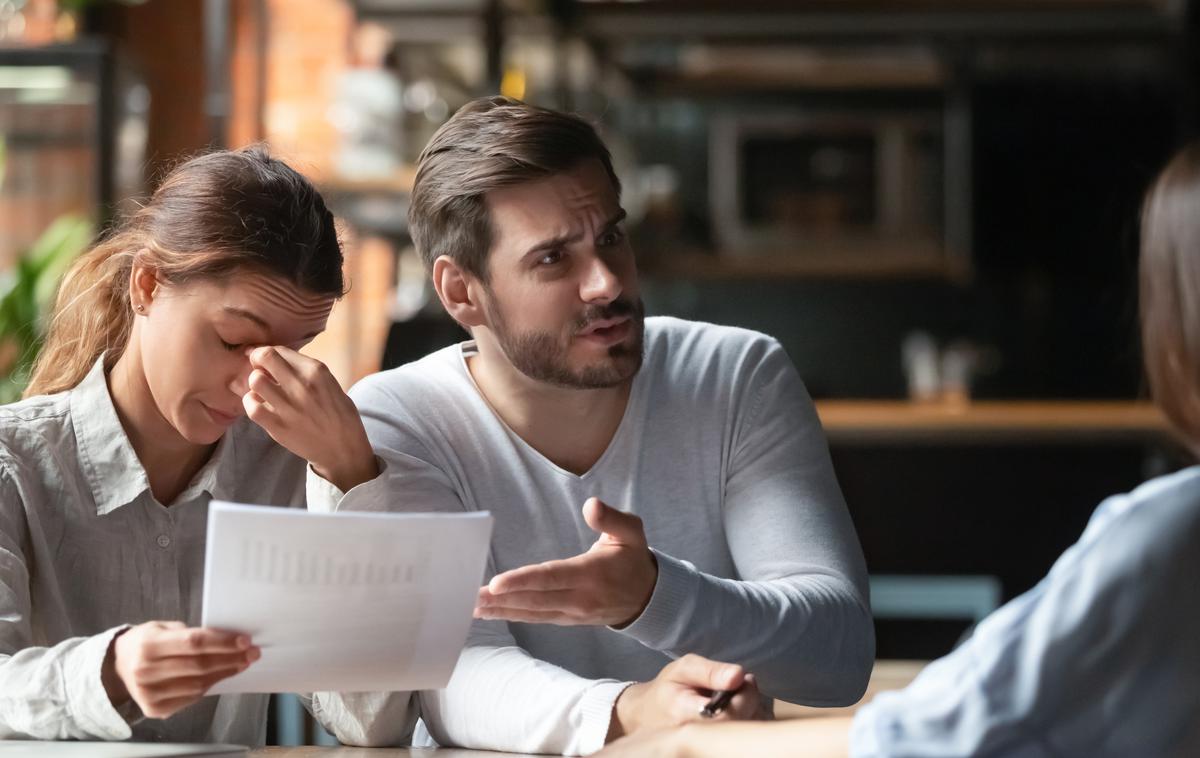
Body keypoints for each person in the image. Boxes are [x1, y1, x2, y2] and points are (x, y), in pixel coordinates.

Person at [309, 96, 874, 754]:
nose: (606, 282)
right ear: (462, 292)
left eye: (609, 237)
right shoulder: (401, 419)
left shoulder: (735, 375)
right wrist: (631, 712)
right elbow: (449, 673)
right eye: (553, 260)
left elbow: (838, 655)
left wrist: (655, 596)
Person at [596, 144, 1200, 758]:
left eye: (611, 237)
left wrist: (691, 744)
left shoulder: (1173, 530)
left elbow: (950, 726)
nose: (604, 282)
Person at [0, 147, 383, 745]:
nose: (253, 384)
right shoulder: (13, 466)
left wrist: (350, 479)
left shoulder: (296, 467)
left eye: (293, 353)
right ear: (147, 285)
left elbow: (368, 717)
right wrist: (113, 669)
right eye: (234, 341)